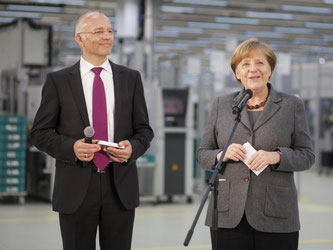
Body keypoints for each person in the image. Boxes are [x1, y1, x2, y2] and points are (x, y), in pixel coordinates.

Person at [30, 11, 154, 250]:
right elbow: (40, 133)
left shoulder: (130, 79)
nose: (107, 36)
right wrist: (72, 147)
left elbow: (144, 130)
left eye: (110, 31)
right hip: (75, 187)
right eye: (98, 31)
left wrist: (132, 149)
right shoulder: (59, 81)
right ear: (80, 39)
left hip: (120, 187)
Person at [197, 38, 315, 250]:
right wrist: (220, 155)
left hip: (276, 214)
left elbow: (307, 155)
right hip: (228, 213)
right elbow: (203, 153)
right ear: (237, 73)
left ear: (270, 70)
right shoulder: (221, 105)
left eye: (260, 63)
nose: (253, 69)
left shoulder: (291, 105)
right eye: (245, 64)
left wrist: (276, 156)